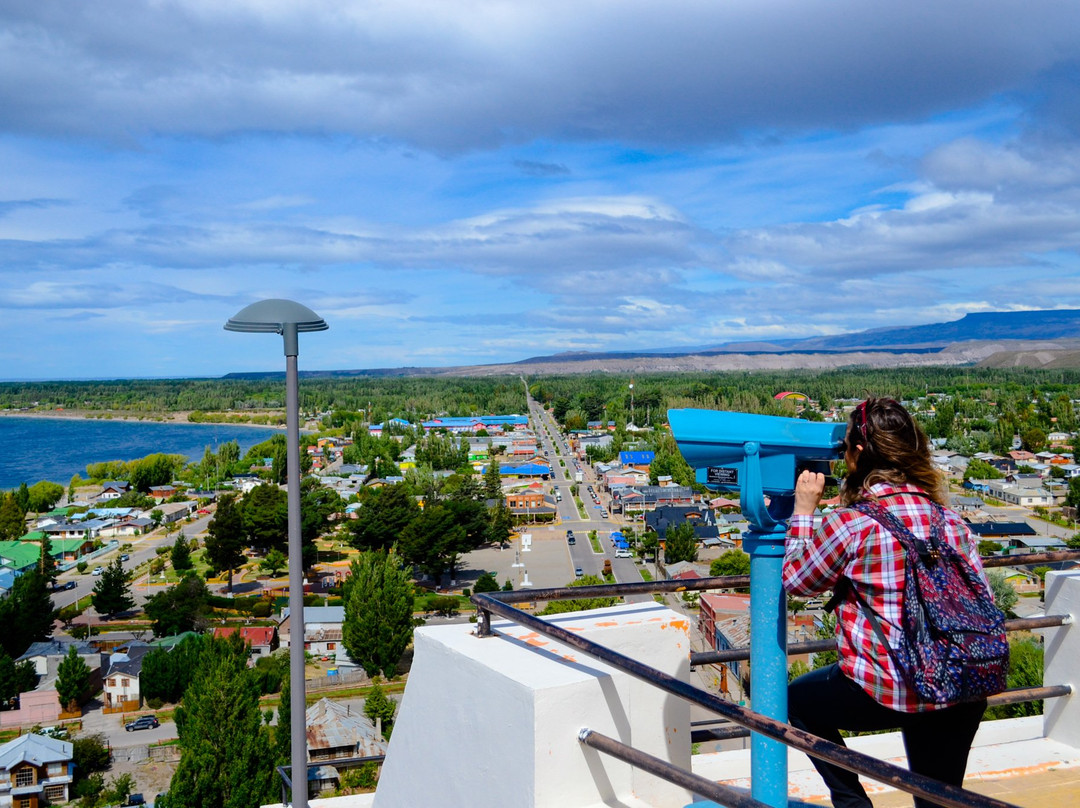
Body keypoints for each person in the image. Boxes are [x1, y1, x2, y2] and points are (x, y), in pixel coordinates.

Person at [783, 397, 994, 808]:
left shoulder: (854, 523)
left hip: (893, 685)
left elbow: (797, 582)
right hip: (958, 683)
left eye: (845, 448)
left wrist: (804, 510)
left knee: (798, 701)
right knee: (937, 800)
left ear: (858, 453)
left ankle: (852, 803)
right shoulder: (948, 520)